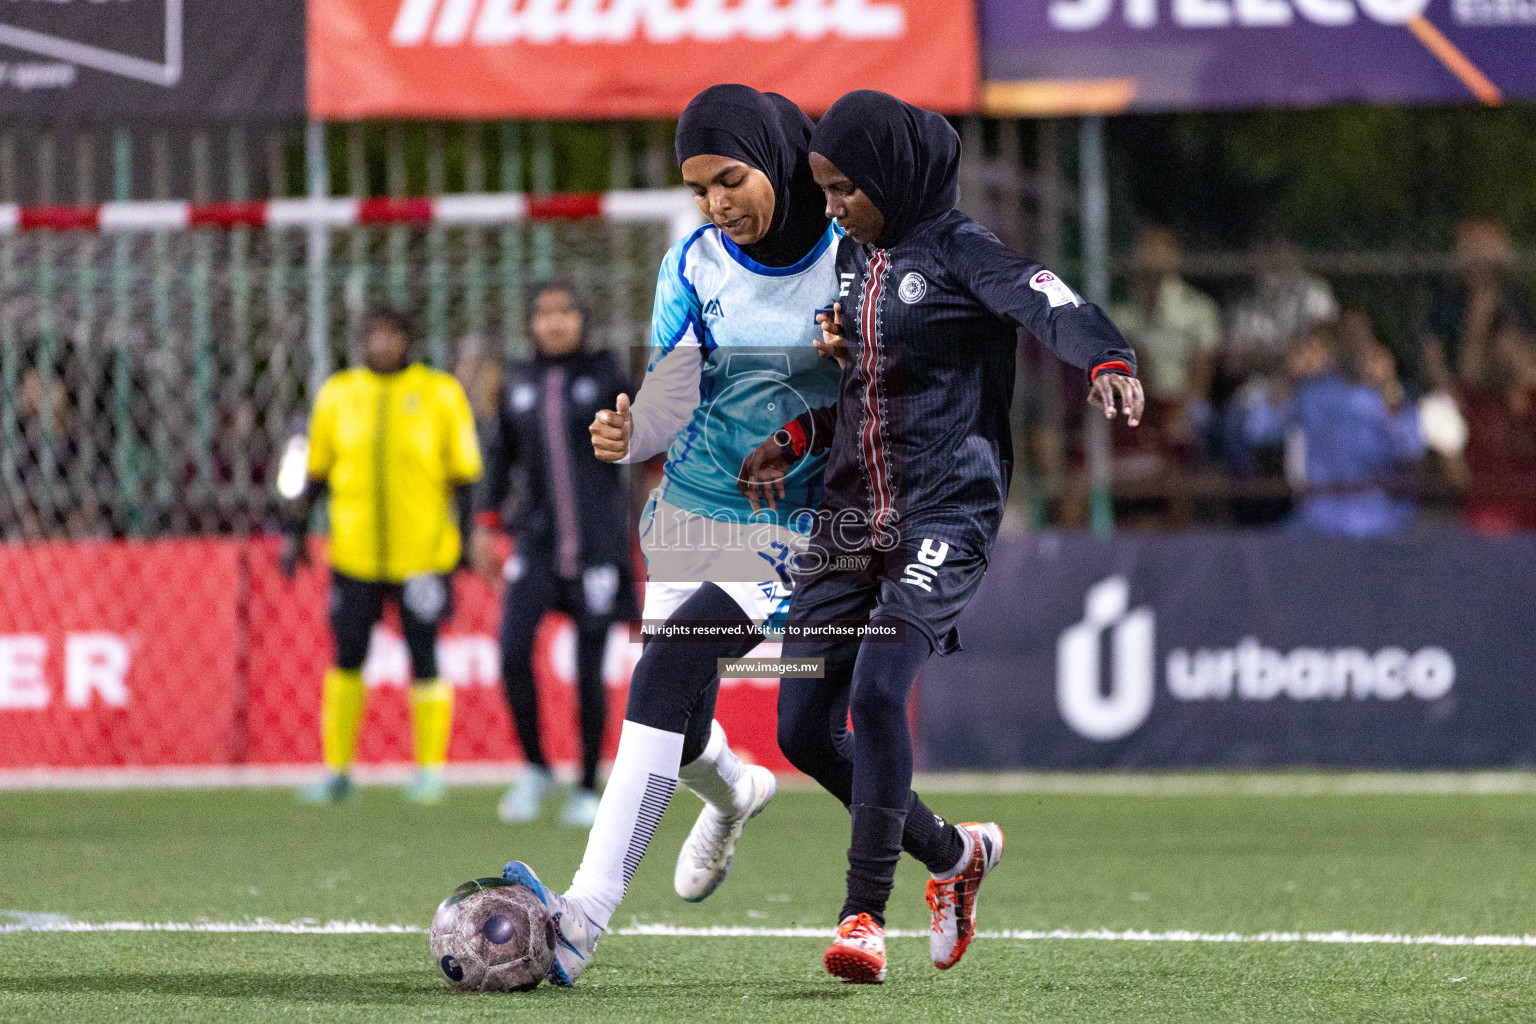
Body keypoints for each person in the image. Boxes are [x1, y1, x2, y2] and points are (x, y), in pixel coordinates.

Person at [739, 90, 1143, 984]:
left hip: (943, 511)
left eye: (846, 188)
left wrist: (1106, 356)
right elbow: (863, 392)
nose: (834, 206)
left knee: (881, 690)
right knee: (803, 729)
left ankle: (861, 917)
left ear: (891, 175)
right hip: (851, 514)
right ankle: (957, 856)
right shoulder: (855, 256)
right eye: (826, 188)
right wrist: (798, 438)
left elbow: (1050, 302)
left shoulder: (963, 251)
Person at [499, 84, 843, 988]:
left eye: (730, 178)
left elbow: (885, 389)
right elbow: (670, 394)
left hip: (798, 520)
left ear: (772, 155)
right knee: (682, 724)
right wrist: (632, 432)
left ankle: (579, 918)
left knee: (663, 669)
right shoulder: (693, 262)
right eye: (699, 188)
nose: (717, 203)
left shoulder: (853, 257)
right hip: (692, 513)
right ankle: (737, 792)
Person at [284, 306, 483, 805]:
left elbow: (464, 476)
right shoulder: (338, 394)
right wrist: (296, 535)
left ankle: (430, 772)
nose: (382, 344)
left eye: (391, 335)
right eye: (373, 335)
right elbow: (317, 472)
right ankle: (337, 772)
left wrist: (465, 541)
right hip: (353, 553)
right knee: (347, 654)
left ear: (408, 341)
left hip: (423, 554)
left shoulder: (440, 393)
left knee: (424, 653)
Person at [471, 282, 638, 828]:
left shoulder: (606, 374)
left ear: (582, 318)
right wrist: (484, 523)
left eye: (566, 311)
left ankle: (588, 784)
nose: (555, 322)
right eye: (544, 313)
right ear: (531, 323)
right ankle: (537, 767)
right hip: (538, 543)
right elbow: (500, 457)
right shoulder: (517, 381)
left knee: (590, 665)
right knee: (512, 650)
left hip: (596, 543)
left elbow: (639, 440)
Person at [1241, 317, 1424, 536]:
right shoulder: (1311, 392)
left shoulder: (1387, 395)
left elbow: (1411, 448)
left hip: (1382, 522)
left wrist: (1387, 387)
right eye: (1347, 340)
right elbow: (1257, 431)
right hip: (1319, 522)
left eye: (1362, 341)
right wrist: (1288, 375)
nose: (1355, 347)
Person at [1423, 218, 1536, 389]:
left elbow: (1528, 347)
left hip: (1513, 388)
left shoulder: (1513, 296)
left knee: (1507, 342)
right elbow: (1433, 353)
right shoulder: (1447, 299)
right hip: (1467, 383)